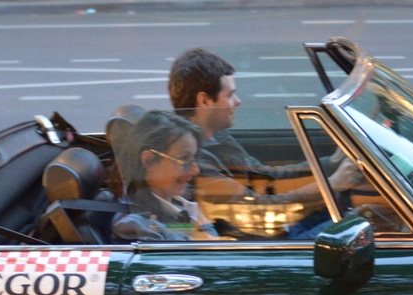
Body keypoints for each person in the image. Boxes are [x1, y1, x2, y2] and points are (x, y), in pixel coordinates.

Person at [169, 48, 362, 238]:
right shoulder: (196, 162)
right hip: (256, 240)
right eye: (229, 95)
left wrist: (332, 162)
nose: (238, 102)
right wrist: (332, 185)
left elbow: (266, 176)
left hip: (275, 227)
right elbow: (259, 212)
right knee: (363, 227)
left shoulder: (219, 137)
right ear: (204, 101)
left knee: (360, 215)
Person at [111, 110, 221, 242]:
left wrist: (198, 227)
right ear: (149, 161)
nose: (195, 170)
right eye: (184, 160)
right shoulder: (133, 226)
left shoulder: (180, 205)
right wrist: (198, 233)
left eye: (194, 159)